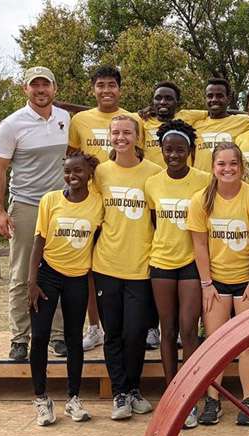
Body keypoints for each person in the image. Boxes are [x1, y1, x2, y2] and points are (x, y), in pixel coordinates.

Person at [67, 66, 152, 352]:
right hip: (93, 202)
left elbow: (144, 155)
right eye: (100, 85)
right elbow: (73, 158)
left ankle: (146, 326)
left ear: (120, 88)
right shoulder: (80, 120)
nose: (106, 90)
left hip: (127, 201)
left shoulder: (135, 119)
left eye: (112, 85)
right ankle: (94, 328)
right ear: (93, 89)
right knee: (92, 269)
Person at [187, 142, 249, 426]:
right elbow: (199, 244)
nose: (227, 169)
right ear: (212, 168)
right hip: (217, 282)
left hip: (245, 281)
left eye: (233, 163)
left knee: (248, 343)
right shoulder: (201, 199)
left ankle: (247, 401)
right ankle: (213, 400)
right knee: (216, 343)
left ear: (241, 167)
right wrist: (206, 283)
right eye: (221, 164)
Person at [0, 66, 69, 360]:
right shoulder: (11, 125)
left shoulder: (64, 118)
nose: (40, 90)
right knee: (23, 273)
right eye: (34, 86)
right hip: (25, 205)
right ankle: (20, 338)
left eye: (45, 85)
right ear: (25, 90)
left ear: (54, 89)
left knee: (59, 271)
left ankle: (57, 335)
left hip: (60, 206)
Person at [92, 115, 161, 420]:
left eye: (127, 132)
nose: (121, 137)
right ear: (110, 137)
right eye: (116, 132)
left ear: (138, 136)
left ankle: (134, 388)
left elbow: (159, 220)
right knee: (113, 333)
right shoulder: (100, 173)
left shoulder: (154, 173)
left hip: (141, 266)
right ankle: (120, 393)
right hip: (106, 264)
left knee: (136, 332)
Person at [27, 150, 103, 426]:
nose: (72, 176)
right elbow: (38, 241)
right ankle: (41, 398)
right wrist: (32, 281)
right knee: (41, 336)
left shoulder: (98, 204)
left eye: (78, 171)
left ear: (89, 175)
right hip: (48, 275)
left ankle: (73, 398)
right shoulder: (50, 201)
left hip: (78, 278)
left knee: (74, 339)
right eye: (68, 171)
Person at [144, 119, 210, 429]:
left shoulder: (204, 181)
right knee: (167, 330)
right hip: (161, 263)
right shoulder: (153, 183)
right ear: (162, 150)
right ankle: (172, 396)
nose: (173, 155)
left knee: (188, 329)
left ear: (190, 151)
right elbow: (156, 222)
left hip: (192, 264)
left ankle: (191, 397)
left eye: (180, 150)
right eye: (168, 149)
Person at [141, 81, 207, 167]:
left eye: (168, 98)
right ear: (153, 101)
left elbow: (217, 112)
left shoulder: (187, 116)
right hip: (153, 177)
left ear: (177, 102)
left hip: (181, 177)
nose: (162, 102)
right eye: (158, 98)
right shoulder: (144, 120)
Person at [192, 79, 249, 172]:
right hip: (201, 184)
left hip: (228, 182)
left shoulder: (244, 121)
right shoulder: (195, 125)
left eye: (219, 96)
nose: (214, 100)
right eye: (210, 96)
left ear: (228, 99)